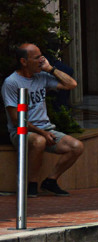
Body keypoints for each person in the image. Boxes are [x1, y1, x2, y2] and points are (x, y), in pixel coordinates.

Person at [3, 43, 84, 196]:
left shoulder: (42, 76)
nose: (41, 60)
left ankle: (50, 181)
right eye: (36, 58)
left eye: (42, 57)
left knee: (76, 146)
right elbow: (16, 120)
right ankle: (31, 184)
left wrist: (50, 69)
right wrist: (42, 133)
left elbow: (71, 84)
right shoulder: (11, 83)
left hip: (46, 129)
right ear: (23, 61)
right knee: (39, 141)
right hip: (21, 131)